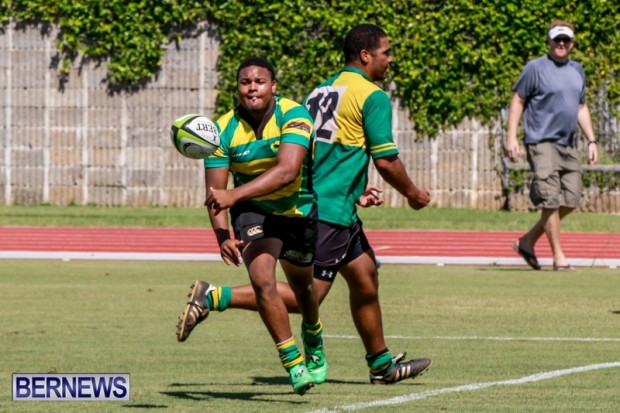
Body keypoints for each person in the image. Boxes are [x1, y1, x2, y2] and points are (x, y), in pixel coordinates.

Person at [177, 24, 432, 385]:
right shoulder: (371, 95)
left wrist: (356, 190)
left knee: (365, 277)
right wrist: (414, 195)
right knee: (305, 297)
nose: (390, 60)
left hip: (337, 201)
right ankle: (216, 296)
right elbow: (386, 162)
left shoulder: (321, 91)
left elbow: (321, 149)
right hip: (326, 210)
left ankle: (381, 364)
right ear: (366, 56)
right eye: (386, 53)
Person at [175, 56, 326, 396]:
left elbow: (287, 171)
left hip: (298, 210)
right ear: (238, 88)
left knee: (305, 290)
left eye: (260, 81)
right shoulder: (221, 131)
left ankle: (313, 335)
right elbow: (216, 195)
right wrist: (222, 236)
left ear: (273, 86)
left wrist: (233, 194)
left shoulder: (295, 115)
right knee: (261, 279)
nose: (252, 87)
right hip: (254, 213)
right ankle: (294, 363)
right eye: (245, 82)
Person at [506, 19, 598, 272]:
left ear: (572, 43)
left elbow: (581, 106)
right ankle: (559, 257)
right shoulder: (535, 68)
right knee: (550, 200)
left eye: (566, 40)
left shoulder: (577, 70)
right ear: (549, 41)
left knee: (572, 198)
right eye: (557, 39)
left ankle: (527, 241)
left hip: (567, 144)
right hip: (541, 142)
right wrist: (511, 136)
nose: (561, 43)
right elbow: (518, 100)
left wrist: (591, 140)